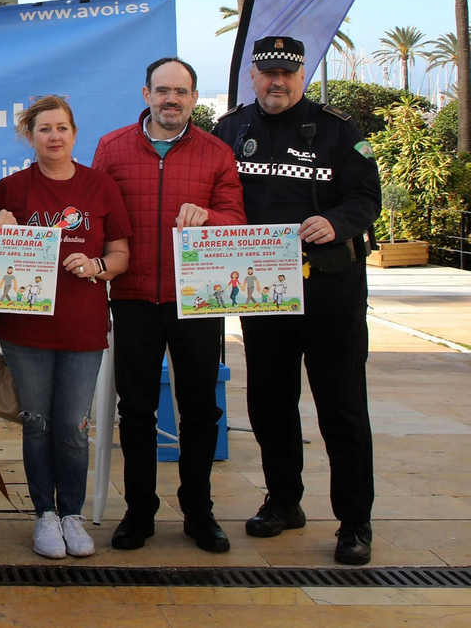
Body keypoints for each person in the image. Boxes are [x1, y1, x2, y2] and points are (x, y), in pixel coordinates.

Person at [214, 35, 382, 566]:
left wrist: (335, 222)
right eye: (267, 73)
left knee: (342, 408)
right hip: (265, 292)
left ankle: (355, 521)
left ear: (302, 75)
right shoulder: (230, 130)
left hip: (330, 291)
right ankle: (284, 502)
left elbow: (367, 198)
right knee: (269, 405)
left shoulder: (339, 129)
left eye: (287, 73)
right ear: (253, 77)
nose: (276, 82)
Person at [92, 56, 246, 554]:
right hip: (134, 297)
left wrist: (211, 219)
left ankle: (199, 513)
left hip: (196, 301)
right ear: (146, 95)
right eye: (162, 91)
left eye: (181, 92)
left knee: (201, 411)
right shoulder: (112, 148)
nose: (171, 100)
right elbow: (96, 217)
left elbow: (237, 221)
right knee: (135, 411)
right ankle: (139, 513)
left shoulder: (217, 152)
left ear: (194, 99)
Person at [0, 96, 130, 560]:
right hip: (24, 329)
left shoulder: (100, 186)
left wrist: (96, 265)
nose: (54, 136)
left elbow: (120, 255)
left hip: (82, 327)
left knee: (72, 426)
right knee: (37, 424)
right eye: (44, 129)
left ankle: (70, 511)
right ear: (29, 137)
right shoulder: (10, 189)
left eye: (61, 128)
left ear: (74, 134)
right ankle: (43, 516)